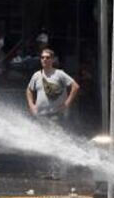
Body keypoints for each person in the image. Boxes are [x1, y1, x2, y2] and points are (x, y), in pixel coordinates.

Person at [25, 48, 80, 179]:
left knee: (54, 141)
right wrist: (31, 105)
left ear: (53, 59)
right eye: (42, 57)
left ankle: (55, 171)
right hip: (40, 115)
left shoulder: (59, 74)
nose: (44, 60)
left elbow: (75, 86)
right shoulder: (36, 75)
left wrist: (66, 104)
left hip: (55, 115)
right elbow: (29, 90)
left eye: (47, 57)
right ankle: (48, 170)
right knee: (44, 142)